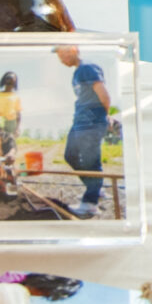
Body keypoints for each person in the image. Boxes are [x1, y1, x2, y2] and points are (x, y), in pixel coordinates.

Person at [56, 43, 113, 218]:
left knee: (91, 162)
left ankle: (90, 204)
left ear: (73, 49)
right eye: (59, 56)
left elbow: (103, 95)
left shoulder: (88, 67)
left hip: (91, 122)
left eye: (64, 54)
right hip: (79, 121)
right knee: (70, 156)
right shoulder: (77, 72)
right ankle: (95, 187)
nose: (62, 59)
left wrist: (105, 117)